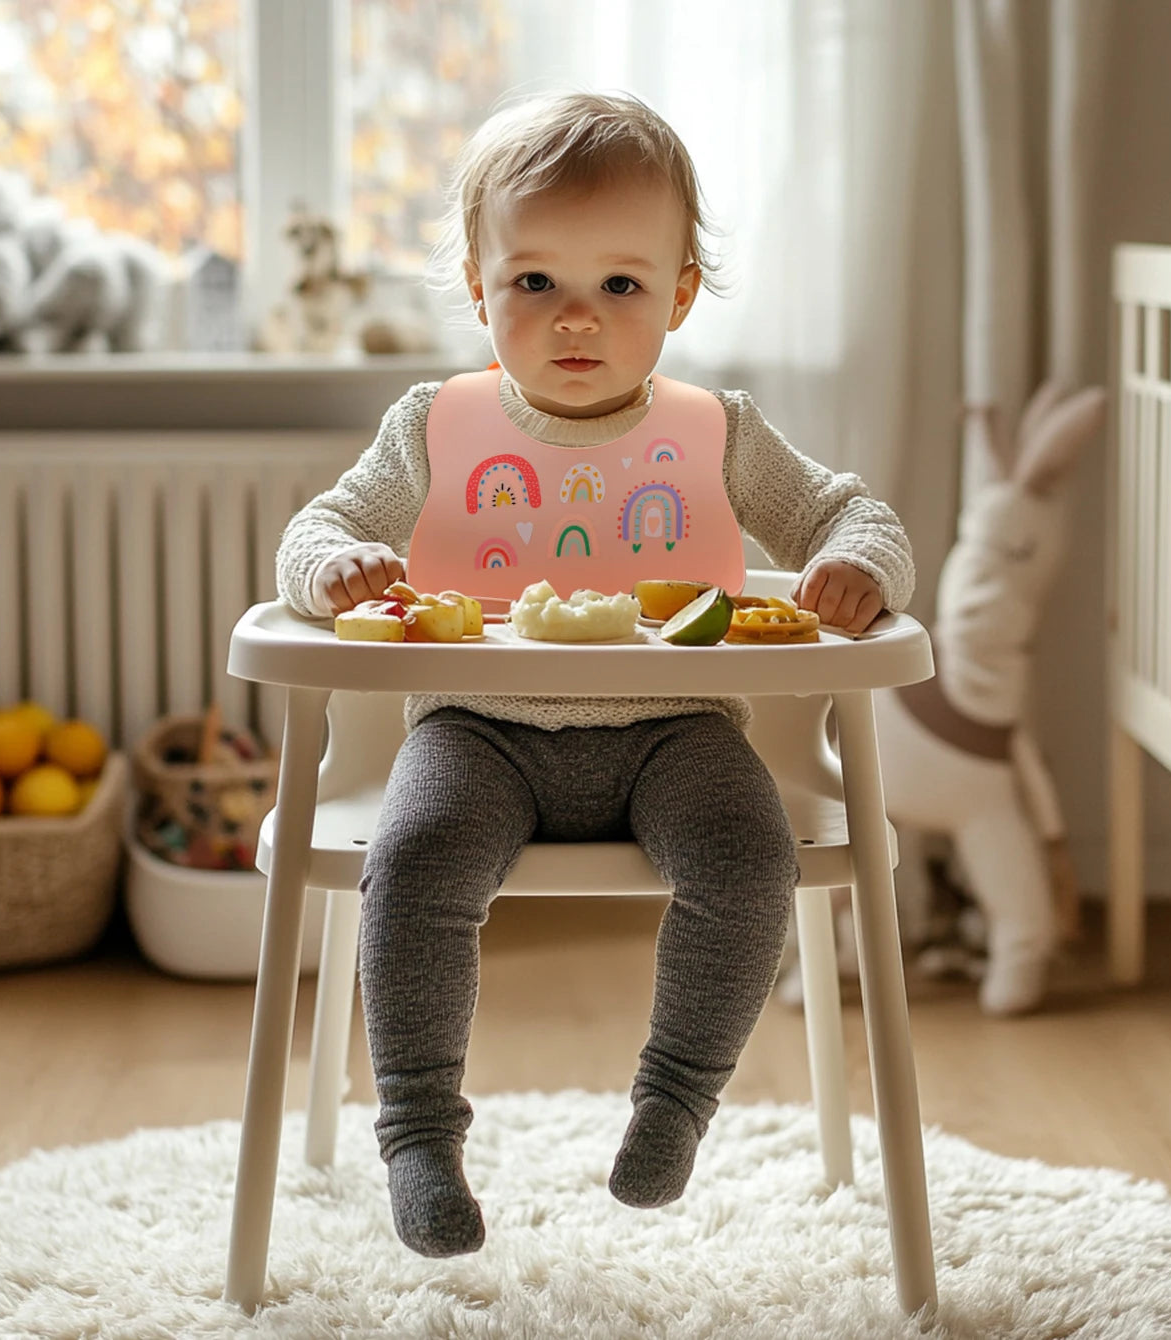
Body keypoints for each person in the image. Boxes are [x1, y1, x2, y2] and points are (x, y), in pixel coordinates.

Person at [276, 91, 915, 1258]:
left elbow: (848, 507)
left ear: (677, 293)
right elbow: (316, 524)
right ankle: (418, 1131)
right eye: (535, 284)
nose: (578, 319)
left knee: (748, 853)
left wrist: (852, 560)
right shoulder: (432, 423)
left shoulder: (719, 431)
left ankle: (673, 1099)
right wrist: (335, 564)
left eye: (619, 285)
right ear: (479, 285)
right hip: (477, 727)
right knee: (410, 862)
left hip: (673, 728)